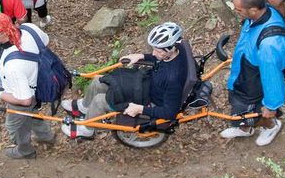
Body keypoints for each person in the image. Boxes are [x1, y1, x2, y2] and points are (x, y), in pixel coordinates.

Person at [59, 22, 196, 138]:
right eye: (153, 49)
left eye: (158, 50)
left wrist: (140, 109)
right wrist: (141, 56)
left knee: (100, 100)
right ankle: (85, 107)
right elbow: (159, 59)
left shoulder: (173, 78)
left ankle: (87, 130)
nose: (154, 53)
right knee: (99, 80)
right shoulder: (177, 50)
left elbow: (169, 112)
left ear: (171, 48)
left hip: (149, 102)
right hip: (147, 84)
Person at [220, 0, 285, 147]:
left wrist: (271, 105)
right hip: (245, 70)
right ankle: (244, 128)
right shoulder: (259, 15)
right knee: (238, 102)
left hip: (256, 79)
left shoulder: (269, 45)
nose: (237, 12)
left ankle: (271, 126)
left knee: (254, 110)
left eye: (239, 10)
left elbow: (272, 77)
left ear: (252, 10)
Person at [0, 13, 56, 159]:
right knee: (33, 112)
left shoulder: (12, 65)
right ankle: (46, 136)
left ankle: (25, 151)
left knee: (15, 127)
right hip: (41, 83)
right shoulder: (29, 28)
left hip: (23, 94)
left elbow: (25, 101)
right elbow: (45, 42)